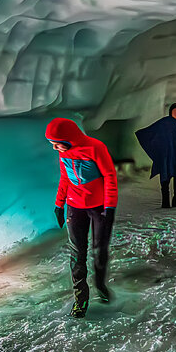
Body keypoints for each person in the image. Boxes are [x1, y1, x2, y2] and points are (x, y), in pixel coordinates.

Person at [46, 119, 119, 317]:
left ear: (68, 138)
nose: (54, 148)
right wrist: (59, 204)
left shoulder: (96, 148)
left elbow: (110, 176)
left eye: (57, 143)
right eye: (52, 144)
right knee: (77, 254)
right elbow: (64, 178)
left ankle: (100, 284)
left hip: (99, 207)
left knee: (99, 250)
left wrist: (109, 207)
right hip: (75, 206)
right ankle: (81, 299)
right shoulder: (64, 153)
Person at [136, 103, 176, 208]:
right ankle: (165, 202)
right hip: (166, 157)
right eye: (174, 111)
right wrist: (157, 149)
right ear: (170, 112)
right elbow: (151, 132)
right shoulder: (163, 123)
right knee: (165, 180)